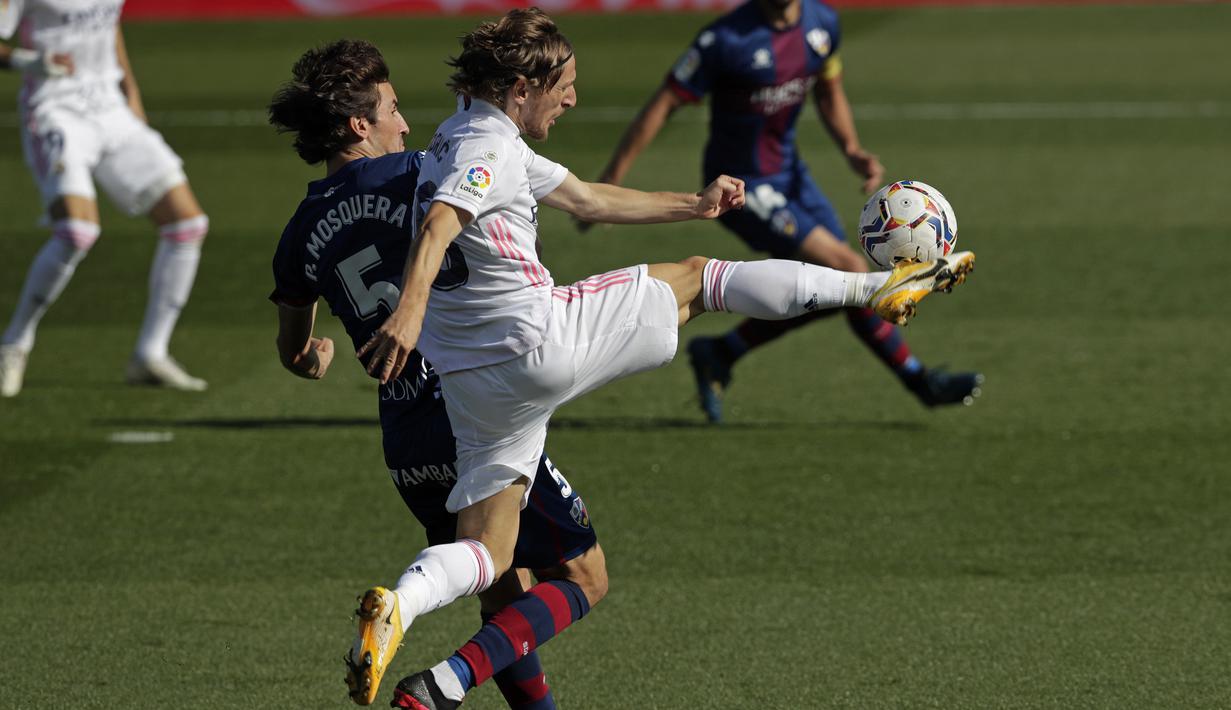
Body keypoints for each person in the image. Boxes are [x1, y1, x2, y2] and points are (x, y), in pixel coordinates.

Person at [354, 10, 974, 708]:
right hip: (537, 340)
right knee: (701, 281)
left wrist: (694, 203)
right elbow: (441, 222)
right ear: (521, 88)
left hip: (474, 384)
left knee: (490, 554)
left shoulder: (458, 135)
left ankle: (403, 607)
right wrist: (407, 312)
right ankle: (874, 289)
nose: (572, 99)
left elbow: (586, 198)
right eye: (564, 84)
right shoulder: (486, 150)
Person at [266, 40, 608, 708]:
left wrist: (315, 358)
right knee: (583, 576)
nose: (404, 123)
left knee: (501, 589)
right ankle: (436, 687)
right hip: (469, 401)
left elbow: (293, 349)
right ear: (359, 125)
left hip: (406, 438)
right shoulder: (417, 173)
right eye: (392, 109)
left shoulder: (299, 232)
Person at [590, 0, 982, 422]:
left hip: (793, 177)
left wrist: (851, 149)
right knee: (848, 271)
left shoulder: (822, 23)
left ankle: (721, 351)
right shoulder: (724, 39)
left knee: (833, 287)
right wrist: (611, 181)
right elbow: (665, 102)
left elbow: (828, 89)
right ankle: (918, 379)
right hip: (741, 187)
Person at [0, 0, 209, 398]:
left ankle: (150, 353)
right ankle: (14, 344)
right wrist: (30, 61)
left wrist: (131, 90)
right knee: (77, 232)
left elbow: (108, 24)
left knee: (187, 224)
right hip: (56, 110)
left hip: (110, 108)